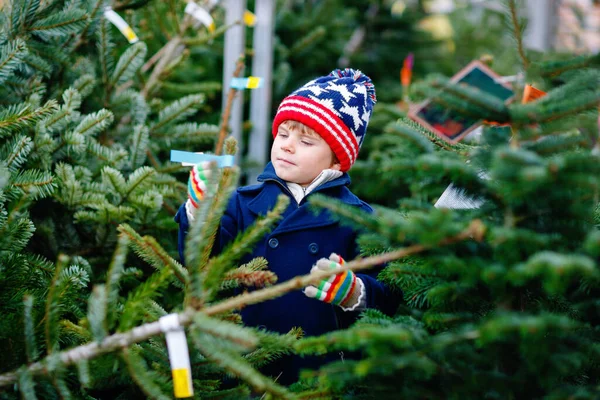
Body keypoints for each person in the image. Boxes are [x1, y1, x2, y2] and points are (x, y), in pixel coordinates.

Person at [175, 68, 400, 385]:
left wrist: (354, 291)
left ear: (337, 160)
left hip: (313, 372)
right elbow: (199, 264)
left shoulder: (357, 218)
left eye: (306, 141)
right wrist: (199, 212)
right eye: (283, 134)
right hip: (238, 364)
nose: (287, 146)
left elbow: (390, 293)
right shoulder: (242, 203)